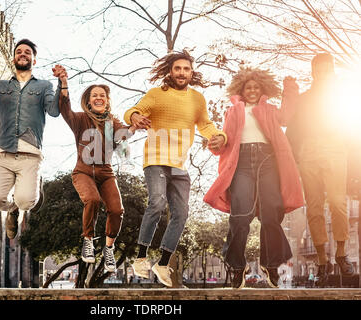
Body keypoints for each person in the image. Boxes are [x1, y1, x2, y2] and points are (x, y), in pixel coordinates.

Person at [125, 50, 227, 287]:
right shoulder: (157, 94)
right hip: (156, 159)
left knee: (181, 213)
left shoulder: (197, 99)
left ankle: (163, 263)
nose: (182, 73)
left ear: (192, 73)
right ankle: (140, 258)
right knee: (158, 202)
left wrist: (219, 136)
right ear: (170, 71)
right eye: (178, 68)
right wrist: (135, 117)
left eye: (186, 69)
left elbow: (206, 125)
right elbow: (134, 110)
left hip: (179, 165)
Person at [203, 67, 304, 289]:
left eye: (256, 87)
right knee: (240, 215)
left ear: (262, 89)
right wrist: (217, 142)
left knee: (271, 214)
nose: (252, 90)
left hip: (268, 160)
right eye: (248, 87)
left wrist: (290, 91)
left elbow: (287, 116)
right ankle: (238, 265)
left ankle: (271, 263)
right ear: (241, 89)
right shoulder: (232, 111)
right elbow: (226, 138)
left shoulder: (269, 109)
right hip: (242, 163)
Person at [0, 39, 62, 239]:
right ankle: (12, 209)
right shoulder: (1, 86)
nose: (22, 54)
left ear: (34, 60)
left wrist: (62, 84)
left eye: (27, 52)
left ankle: (29, 191)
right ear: (14, 58)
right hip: (4, 153)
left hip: (30, 155)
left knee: (26, 201)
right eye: (19, 51)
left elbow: (54, 111)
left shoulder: (44, 86)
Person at [52, 64, 135, 272]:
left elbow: (123, 135)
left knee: (117, 210)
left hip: (106, 174)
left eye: (103, 95)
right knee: (92, 199)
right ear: (88, 100)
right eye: (95, 95)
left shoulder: (112, 122)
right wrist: (63, 83)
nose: (99, 98)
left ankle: (108, 248)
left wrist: (136, 124)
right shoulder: (80, 119)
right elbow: (64, 108)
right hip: (83, 172)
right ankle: (87, 240)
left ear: (107, 101)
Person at [286, 53, 354, 287]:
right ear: (314, 71)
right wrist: (294, 156)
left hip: (336, 149)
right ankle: (323, 260)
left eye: (328, 69)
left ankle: (342, 253)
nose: (324, 73)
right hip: (309, 153)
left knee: (337, 202)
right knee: (313, 208)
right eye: (319, 69)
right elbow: (292, 130)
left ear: (332, 70)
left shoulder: (343, 97)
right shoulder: (304, 99)